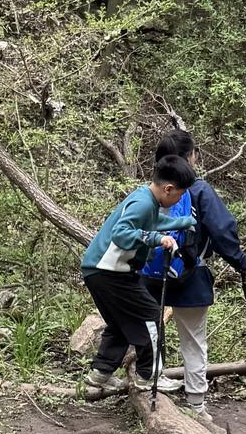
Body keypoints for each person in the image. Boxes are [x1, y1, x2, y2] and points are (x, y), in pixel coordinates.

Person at [145, 129, 246, 419]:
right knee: (193, 341)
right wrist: (239, 261)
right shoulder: (199, 189)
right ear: (190, 156)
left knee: (151, 330)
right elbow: (222, 229)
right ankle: (196, 406)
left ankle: (153, 380)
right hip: (192, 277)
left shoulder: (153, 189)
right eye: (195, 153)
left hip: (151, 275)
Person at [79, 155, 196, 400]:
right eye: (179, 196)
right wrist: (156, 239)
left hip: (99, 271)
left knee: (122, 323)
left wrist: (182, 221)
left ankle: (99, 374)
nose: (177, 200)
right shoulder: (144, 203)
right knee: (152, 315)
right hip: (110, 273)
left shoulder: (146, 200)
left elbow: (154, 221)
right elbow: (122, 233)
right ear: (168, 189)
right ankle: (149, 376)